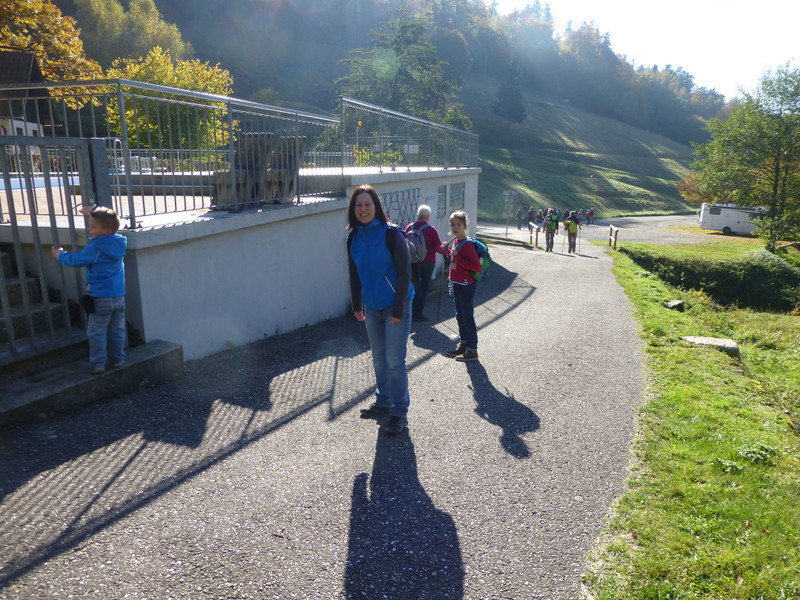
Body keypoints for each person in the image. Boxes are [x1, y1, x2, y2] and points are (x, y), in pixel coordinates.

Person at [346, 185, 414, 434]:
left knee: (395, 361)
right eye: (358, 205)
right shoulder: (353, 237)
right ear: (353, 209)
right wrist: (357, 305)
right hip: (372, 307)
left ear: (376, 207)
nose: (363, 209)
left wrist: (398, 309)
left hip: (396, 305)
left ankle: (399, 412)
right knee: (378, 358)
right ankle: (384, 402)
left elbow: (405, 274)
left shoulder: (392, 234)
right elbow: (354, 273)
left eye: (368, 204)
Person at [52, 205, 127, 374]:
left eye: (92, 227)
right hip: (119, 296)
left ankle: (97, 363)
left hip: (100, 298)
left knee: (97, 332)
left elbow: (76, 260)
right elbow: (108, 220)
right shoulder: (119, 242)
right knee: (117, 330)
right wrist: (92, 213)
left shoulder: (96, 247)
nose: (89, 230)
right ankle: (118, 359)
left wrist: (59, 255)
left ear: (106, 231)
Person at [441, 210, 482, 362]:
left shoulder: (467, 244)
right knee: (460, 316)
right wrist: (446, 251)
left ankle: (472, 350)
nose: (455, 227)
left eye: (458, 224)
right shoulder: (455, 241)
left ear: (465, 226)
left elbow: (476, 267)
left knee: (467, 316)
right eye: (452, 224)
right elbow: (453, 259)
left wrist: (457, 259)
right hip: (457, 283)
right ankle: (464, 345)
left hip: (466, 285)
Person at [405, 204, 442, 323]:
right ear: (428, 217)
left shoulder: (409, 227)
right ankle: (418, 313)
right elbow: (438, 247)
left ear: (418, 215)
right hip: (427, 261)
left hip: (412, 261)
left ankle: (409, 311)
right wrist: (447, 251)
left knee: (413, 285)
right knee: (423, 286)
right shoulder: (431, 230)